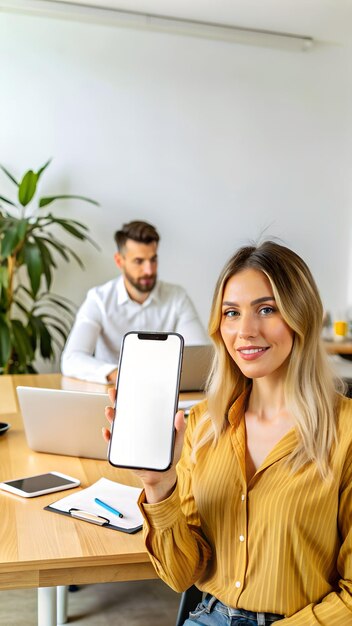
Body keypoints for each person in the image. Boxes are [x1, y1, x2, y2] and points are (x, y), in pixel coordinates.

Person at [104, 240, 352, 625]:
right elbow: (182, 575)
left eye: (266, 309)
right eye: (231, 313)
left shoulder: (345, 432)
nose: (245, 331)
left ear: (302, 315)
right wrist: (159, 485)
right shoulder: (203, 425)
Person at [61, 220, 207, 383]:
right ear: (119, 261)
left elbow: (200, 357)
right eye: (139, 261)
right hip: (113, 393)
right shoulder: (99, 300)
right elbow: (71, 359)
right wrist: (119, 374)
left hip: (163, 389)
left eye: (153, 260)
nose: (149, 270)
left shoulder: (177, 297)